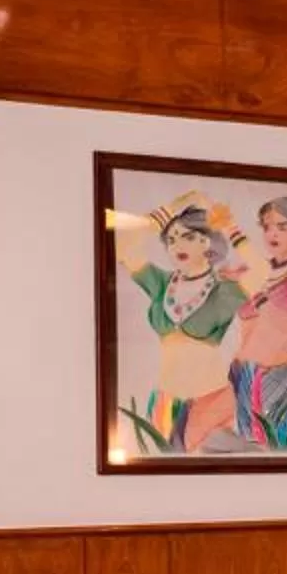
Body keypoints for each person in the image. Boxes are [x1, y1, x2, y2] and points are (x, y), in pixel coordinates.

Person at [118, 193, 248, 454]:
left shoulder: (225, 288)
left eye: (187, 236)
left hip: (210, 402)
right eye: (171, 239)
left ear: (209, 241)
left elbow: (262, 271)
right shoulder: (161, 283)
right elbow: (123, 245)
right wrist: (176, 206)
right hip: (165, 404)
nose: (177, 245)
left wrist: (230, 227)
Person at [229, 195, 287, 452]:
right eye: (267, 227)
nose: (272, 233)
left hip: (280, 375)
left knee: (281, 451)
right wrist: (234, 285)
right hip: (243, 373)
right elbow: (245, 316)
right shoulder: (257, 270)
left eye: (282, 226)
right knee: (250, 455)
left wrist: (263, 301)